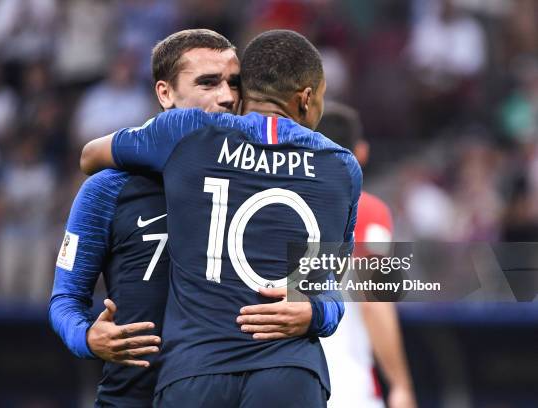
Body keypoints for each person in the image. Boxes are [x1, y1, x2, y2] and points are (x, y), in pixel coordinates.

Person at [80, 29, 361, 407]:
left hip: (194, 370)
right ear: (307, 99)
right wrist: (318, 315)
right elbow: (334, 287)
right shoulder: (341, 167)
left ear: (247, 89)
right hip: (293, 369)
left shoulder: (186, 132)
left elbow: (90, 156)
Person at [317, 103, 417, 408]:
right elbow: (375, 301)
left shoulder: (279, 206)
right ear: (361, 152)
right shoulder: (365, 208)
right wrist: (400, 385)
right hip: (346, 386)